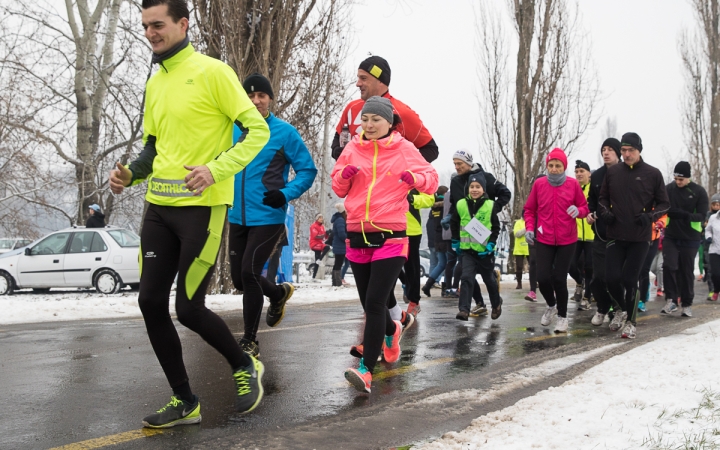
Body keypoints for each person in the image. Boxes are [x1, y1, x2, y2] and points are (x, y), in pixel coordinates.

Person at [108, 0, 270, 428]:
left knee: (189, 307)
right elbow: (152, 148)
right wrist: (130, 173)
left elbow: (258, 131)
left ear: (182, 23)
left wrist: (215, 170)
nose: (150, 33)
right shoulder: (155, 81)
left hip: (202, 207)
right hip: (158, 208)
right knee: (149, 302)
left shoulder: (214, 72)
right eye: (144, 26)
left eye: (157, 24)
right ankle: (184, 400)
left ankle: (243, 365)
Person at [332, 96, 438, 394]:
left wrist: (414, 176)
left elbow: (430, 179)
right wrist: (344, 174)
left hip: (391, 235)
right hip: (357, 233)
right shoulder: (352, 148)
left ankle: (366, 369)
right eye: (364, 120)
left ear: (389, 123)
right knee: (369, 302)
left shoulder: (404, 148)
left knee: (376, 303)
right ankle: (392, 330)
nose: (368, 125)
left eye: (375, 120)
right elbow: (337, 185)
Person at [228, 73, 317, 358]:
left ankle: (250, 341)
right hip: (236, 216)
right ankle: (277, 294)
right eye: (250, 96)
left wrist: (286, 193)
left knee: (250, 273)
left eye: (261, 96)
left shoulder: (284, 132)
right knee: (239, 279)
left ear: (270, 98)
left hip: (268, 215)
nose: (256, 101)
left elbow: (307, 170)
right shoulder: (230, 129)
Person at [598, 132, 670, 339]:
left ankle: (631, 322)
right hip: (615, 234)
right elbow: (602, 199)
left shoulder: (653, 174)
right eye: (624, 150)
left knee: (630, 279)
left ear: (639, 150)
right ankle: (619, 310)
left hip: (639, 236)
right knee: (611, 278)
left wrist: (650, 216)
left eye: (631, 150)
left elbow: (665, 204)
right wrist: (606, 213)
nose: (627, 154)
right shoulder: (613, 173)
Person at [524, 148, 589, 333]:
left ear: (564, 167)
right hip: (544, 237)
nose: (553, 169)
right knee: (543, 278)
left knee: (559, 278)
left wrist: (579, 211)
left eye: (558, 165)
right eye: (551, 165)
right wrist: (530, 228)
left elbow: (584, 207)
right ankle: (551, 306)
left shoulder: (572, 185)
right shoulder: (539, 184)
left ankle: (562, 317)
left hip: (567, 239)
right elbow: (529, 210)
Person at [331, 56, 438, 163]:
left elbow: (430, 149)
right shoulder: (352, 107)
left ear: (380, 81)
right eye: (358, 78)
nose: (358, 84)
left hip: (389, 178)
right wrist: (338, 152)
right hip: (355, 178)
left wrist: (401, 168)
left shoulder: (402, 112)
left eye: (363, 78)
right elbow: (338, 137)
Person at [446, 149, 510, 314]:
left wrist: (492, 210)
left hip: (484, 238)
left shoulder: (486, 178)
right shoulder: (456, 182)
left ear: (468, 163)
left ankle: (494, 302)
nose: (457, 167)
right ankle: (472, 306)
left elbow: (506, 193)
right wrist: (450, 218)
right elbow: (455, 204)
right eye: (455, 164)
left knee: (487, 277)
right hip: (466, 239)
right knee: (465, 274)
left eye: (459, 164)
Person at [450, 172, 502, 321]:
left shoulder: (490, 205)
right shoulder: (461, 204)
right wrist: (455, 240)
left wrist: (491, 244)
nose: (474, 189)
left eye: (478, 187)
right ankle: (464, 310)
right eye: (472, 187)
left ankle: (496, 304)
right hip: (467, 251)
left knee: (489, 281)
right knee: (466, 277)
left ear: (483, 189)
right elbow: (454, 223)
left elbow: (496, 228)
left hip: (484, 253)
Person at [660, 161, 708, 317]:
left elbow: (701, 215)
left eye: (681, 179)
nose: (678, 182)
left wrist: (685, 215)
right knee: (668, 265)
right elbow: (661, 205)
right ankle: (671, 299)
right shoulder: (669, 189)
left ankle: (687, 303)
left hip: (691, 237)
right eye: (676, 178)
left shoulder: (698, 191)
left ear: (688, 178)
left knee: (686, 270)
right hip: (671, 235)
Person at [586, 138, 621, 326]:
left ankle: (618, 310)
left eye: (610, 150)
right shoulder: (597, 175)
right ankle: (602, 307)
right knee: (598, 277)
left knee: (614, 277)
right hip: (599, 233)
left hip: (620, 234)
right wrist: (590, 214)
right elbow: (591, 201)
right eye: (603, 150)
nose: (606, 153)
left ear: (618, 152)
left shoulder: (625, 173)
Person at [568, 160, 594, 311]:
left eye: (582, 171)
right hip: (575, 235)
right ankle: (580, 282)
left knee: (590, 267)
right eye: (576, 171)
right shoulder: (572, 189)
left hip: (591, 235)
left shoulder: (593, 189)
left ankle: (587, 297)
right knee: (570, 265)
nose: (578, 174)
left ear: (589, 174)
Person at [422, 187, 449, 297]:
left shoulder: (433, 209)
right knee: (449, 264)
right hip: (445, 239)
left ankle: (428, 285)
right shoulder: (446, 207)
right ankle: (447, 288)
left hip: (436, 240)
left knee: (439, 264)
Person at [705, 194, 720, 301]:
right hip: (714, 249)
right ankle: (716, 290)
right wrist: (709, 237)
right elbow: (708, 229)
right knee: (715, 273)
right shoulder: (713, 218)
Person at [512, 214, 531, 292]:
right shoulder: (518, 223)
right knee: (519, 267)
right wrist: (526, 229)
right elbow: (517, 234)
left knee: (533, 266)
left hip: (529, 248)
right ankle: (519, 283)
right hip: (519, 248)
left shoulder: (531, 221)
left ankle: (534, 282)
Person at [331, 203, 347, 287]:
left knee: (337, 264)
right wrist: (348, 239)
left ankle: (335, 282)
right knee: (338, 264)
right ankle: (337, 283)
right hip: (340, 246)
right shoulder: (340, 220)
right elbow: (342, 234)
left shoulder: (337, 219)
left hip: (338, 245)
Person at [308, 214, 329, 278]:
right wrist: (325, 234)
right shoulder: (313, 226)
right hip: (314, 244)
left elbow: (324, 238)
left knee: (317, 261)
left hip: (320, 244)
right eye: (320, 218)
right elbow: (316, 236)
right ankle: (319, 260)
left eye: (322, 218)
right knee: (327, 247)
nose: (321, 219)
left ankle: (313, 277)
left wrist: (328, 234)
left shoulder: (322, 226)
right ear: (317, 219)